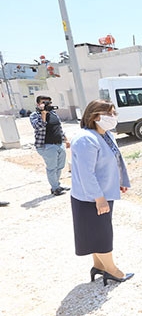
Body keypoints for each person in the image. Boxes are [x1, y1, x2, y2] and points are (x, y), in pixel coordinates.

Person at [70, 99, 133, 286]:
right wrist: (99, 198)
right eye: (110, 114)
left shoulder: (106, 135)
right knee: (102, 232)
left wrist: (120, 182)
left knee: (96, 231)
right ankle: (113, 270)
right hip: (92, 197)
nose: (114, 117)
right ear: (95, 116)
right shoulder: (85, 139)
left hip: (104, 193)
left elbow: (114, 161)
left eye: (115, 114)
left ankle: (99, 265)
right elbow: (86, 173)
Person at [29, 95, 70, 196]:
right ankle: (55, 188)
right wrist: (43, 114)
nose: (47, 104)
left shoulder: (53, 114)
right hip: (46, 145)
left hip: (59, 143)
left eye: (49, 102)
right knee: (52, 167)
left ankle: (57, 185)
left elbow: (59, 127)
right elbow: (38, 127)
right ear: (38, 104)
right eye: (44, 102)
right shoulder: (35, 115)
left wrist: (66, 139)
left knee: (60, 166)